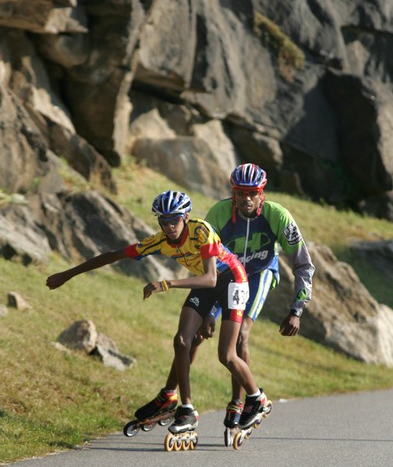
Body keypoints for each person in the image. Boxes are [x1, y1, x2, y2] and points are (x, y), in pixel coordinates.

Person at [46, 190, 268, 434]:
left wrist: (166, 284)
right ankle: (185, 408)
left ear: (185, 216)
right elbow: (114, 255)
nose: (170, 226)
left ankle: (257, 398)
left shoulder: (201, 230)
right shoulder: (160, 240)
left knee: (226, 355)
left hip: (232, 279)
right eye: (164, 221)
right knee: (182, 340)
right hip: (205, 283)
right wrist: (66, 275)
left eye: (175, 220)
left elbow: (211, 278)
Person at [145, 164, 315, 432]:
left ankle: (240, 402)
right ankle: (170, 395)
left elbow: (304, 264)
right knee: (196, 334)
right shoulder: (219, 212)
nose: (246, 198)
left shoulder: (278, 215)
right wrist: (209, 314)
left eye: (252, 192)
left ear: (262, 193)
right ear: (232, 192)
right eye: (240, 192)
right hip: (224, 276)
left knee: (240, 336)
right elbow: (205, 261)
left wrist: (297, 309)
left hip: (259, 274)